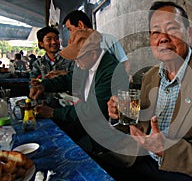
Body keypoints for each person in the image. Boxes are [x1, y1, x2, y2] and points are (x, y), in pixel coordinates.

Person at [106, 1, 192, 181]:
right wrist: (120, 114)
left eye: (171, 29)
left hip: (190, 174)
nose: (163, 38)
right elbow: (138, 125)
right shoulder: (150, 76)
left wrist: (166, 149)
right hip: (144, 159)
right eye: (156, 32)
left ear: (188, 34)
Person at [29, 24, 128, 155]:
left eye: (78, 57)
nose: (76, 61)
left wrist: (53, 113)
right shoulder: (87, 64)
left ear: (93, 54)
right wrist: (44, 85)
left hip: (103, 132)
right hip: (88, 123)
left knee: (64, 150)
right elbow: (70, 79)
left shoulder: (111, 71)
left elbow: (92, 109)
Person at [62, 10, 131, 78]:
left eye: (70, 29)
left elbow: (124, 63)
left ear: (80, 25)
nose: (70, 34)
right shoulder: (76, 48)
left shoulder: (107, 39)